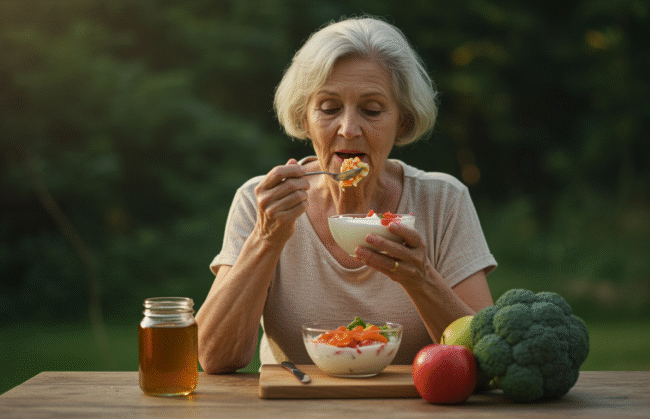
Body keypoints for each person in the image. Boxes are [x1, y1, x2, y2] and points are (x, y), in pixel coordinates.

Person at [196, 16, 496, 373]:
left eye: (371, 110)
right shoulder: (262, 202)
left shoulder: (443, 200)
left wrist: (421, 279)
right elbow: (214, 357)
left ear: (402, 120)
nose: (349, 128)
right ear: (304, 118)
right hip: (297, 400)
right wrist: (266, 237)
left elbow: (487, 356)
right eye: (329, 108)